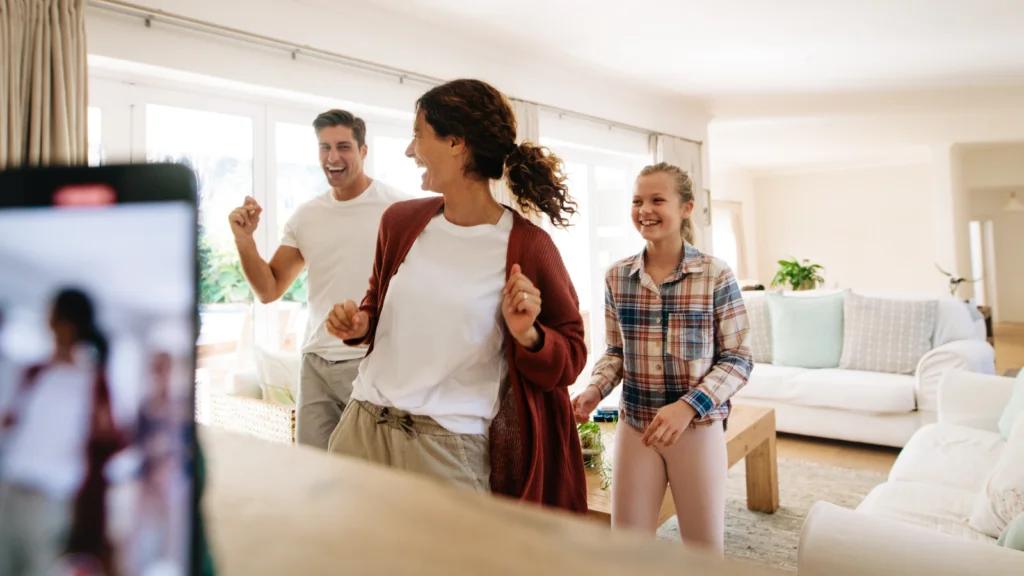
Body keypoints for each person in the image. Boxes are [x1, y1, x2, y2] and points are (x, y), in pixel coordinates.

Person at [324, 78, 588, 513]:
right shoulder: (400, 222)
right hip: (362, 427)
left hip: (445, 448)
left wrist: (529, 335)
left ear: (455, 143)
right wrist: (360, 323)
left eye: (418, 134)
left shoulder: (527, 246)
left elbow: (573, 353)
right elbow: (377, 302)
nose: (410, 150)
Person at [571, 163, 752, 551]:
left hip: (697, 430)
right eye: (637, 201)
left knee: (702, 554)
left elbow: (738, 359)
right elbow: (616, 352)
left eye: (657, 200)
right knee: (628, 551)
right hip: (636, 427)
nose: (645, 210)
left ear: (686, 208)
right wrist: (594, 390)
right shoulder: (617, 277)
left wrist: (687, 407)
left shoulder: (716, 275)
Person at [229, 109, 408, 450]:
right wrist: (244, 240)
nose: (332, 157)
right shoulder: (307, 215)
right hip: (315, 364)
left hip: (370, 361)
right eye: (324, 147)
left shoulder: (398, 209)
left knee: (370, 470)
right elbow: (268, 289)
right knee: (312, 469)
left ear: (363, 151)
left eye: (343, 147)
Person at [0, 288, 125, 575]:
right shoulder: (34, 372)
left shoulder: (92, 381)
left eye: (52, 315)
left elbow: (108, 440)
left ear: (66, 323)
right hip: (11, 487)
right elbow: (10, 422)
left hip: (51, 498)